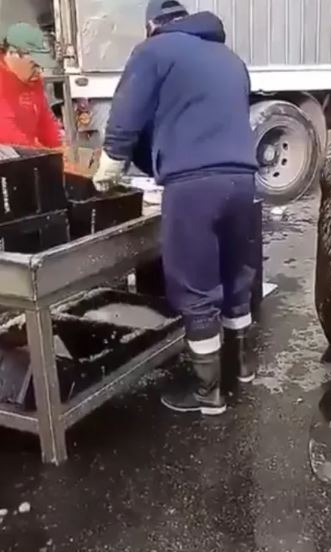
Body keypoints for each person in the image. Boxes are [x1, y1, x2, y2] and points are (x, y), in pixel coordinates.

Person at [93, 0, 258, 416]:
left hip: (194, 186)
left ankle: (208, 395)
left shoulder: (154, 51)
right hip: (242, 180)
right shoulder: (230, 58)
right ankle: (242, 370)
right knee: (234, 274)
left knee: (196, 284)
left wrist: (110, 166)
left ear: (153, 26)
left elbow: (128, 114)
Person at [0, 22, 61, 149]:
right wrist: (41, 154)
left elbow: (45, 121)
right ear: (14, 54)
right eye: (35, 65)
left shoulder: (32, 81)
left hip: (25, 157)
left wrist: (59, 148)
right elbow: (7, 134)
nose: (39, 72)